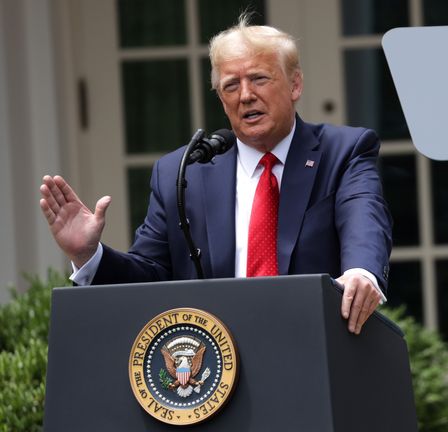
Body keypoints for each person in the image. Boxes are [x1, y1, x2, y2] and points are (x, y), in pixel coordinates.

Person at [39, 15, 392, 335]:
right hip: (213, 370)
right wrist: (90, 255)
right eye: (231, 86)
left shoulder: (343, 150)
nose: (246, 96)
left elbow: (364, 219)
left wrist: (361, 272)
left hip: (314, 344)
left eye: (259, 79)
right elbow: (149, 276)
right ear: (221, 99)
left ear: (295, 85)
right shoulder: (182, 172)